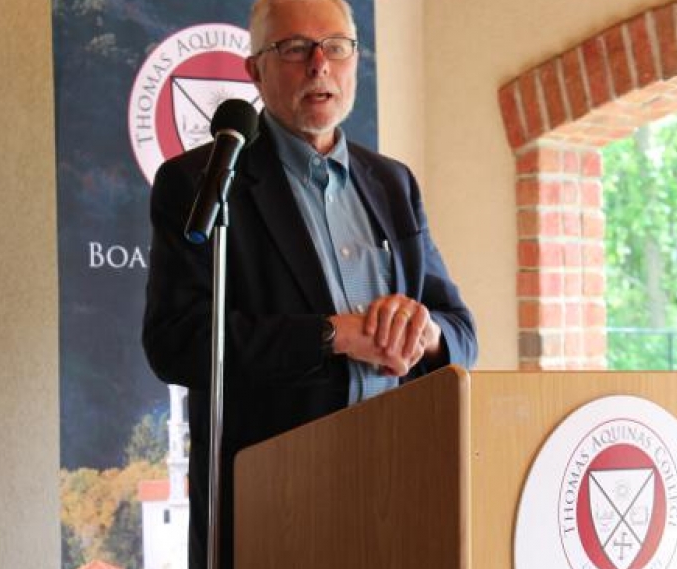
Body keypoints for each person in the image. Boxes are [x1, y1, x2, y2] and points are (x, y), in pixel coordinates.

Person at [141, 0, 478, 567]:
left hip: (400, 494)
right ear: (255, 70)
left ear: (355, 60)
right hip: (278, 504)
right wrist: (332, 336)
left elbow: (461, 332)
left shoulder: (393, 184)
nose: (320, 63)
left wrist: (424, 333)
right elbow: (178, 342)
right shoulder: (198, 182)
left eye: (337, 46)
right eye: (295, 48)